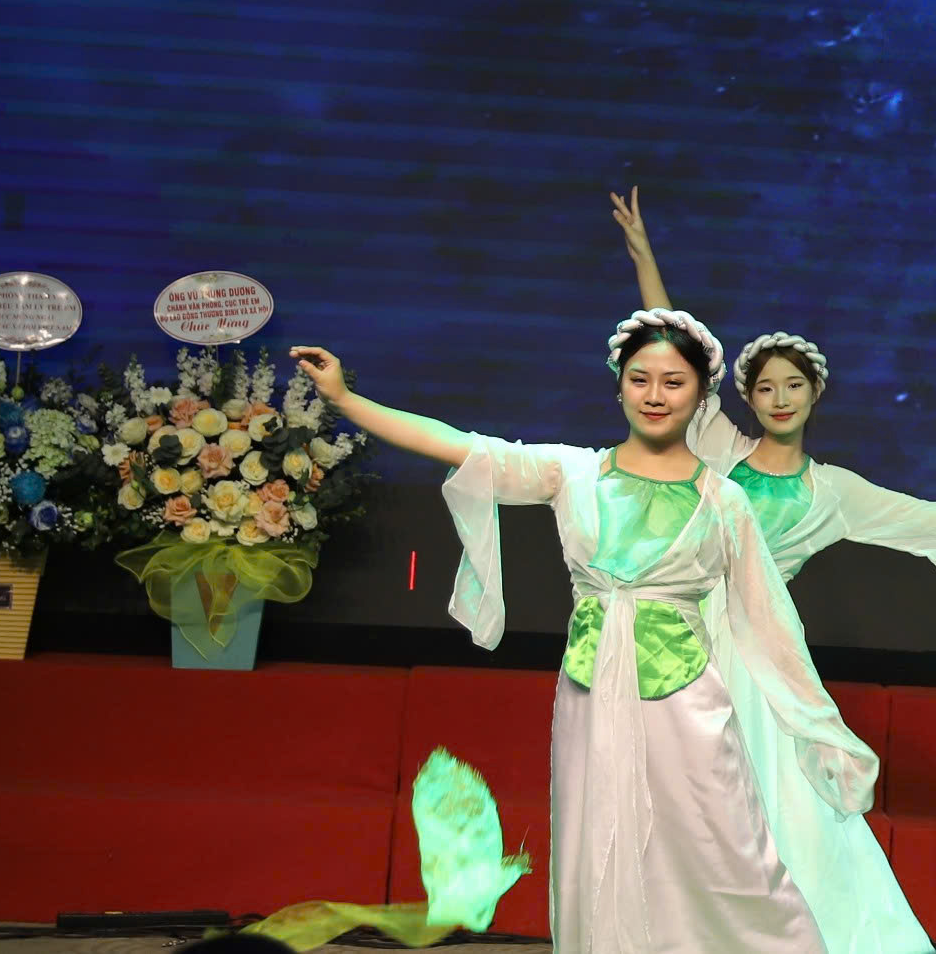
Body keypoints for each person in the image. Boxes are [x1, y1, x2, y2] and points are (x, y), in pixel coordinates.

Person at [289, 311, 873, 954]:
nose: (655, 395)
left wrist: (823, 728)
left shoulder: (723, 500)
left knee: (722, 848)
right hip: (591, 696)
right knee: (595, 845)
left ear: (701, 393)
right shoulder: (574, 474)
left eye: (673, 382)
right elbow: (461, 446)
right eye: (640, 379)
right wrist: (346, 399)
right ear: (618, 385)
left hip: (687, 706)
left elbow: (770, 625)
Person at [607, 187, 936, 953]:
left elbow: (931, 517)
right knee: (687, 795)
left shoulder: (833, 492)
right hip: (689, 638)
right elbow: (674, 344)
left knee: (782, 800)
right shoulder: (720, 449)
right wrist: (643, 253)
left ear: (814, 395)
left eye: (792, 385)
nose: (779, 398)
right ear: (746, 397)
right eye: (766, 387)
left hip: (764, 654)